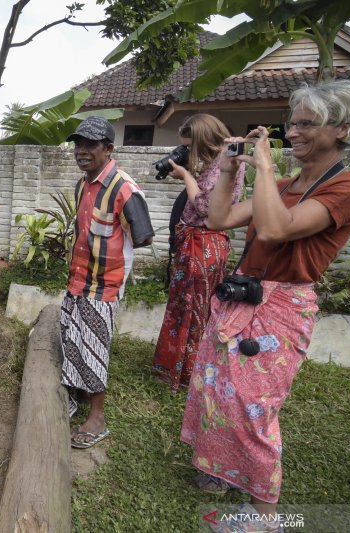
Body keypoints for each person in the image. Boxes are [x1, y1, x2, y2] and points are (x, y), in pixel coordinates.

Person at [181, 80, 350, 533]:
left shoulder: (346, 187)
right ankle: (222, 474)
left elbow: (278, 229)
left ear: (342, 128)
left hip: (282, 306)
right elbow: (219, 218)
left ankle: (266, 519)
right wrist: (227, 168)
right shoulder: (283, 184)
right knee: (216, 388)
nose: (293, 132)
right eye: (291, 123)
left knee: (254, 405)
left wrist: (261, 165)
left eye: (307, 124)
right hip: (244, 296)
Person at [62, 116, 154, 449]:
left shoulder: (123, 188)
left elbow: (143, 235)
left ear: (108, 149)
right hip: (77, 280)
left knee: (95, 347)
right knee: (72, 338)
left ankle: (97, 418)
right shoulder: (83, 185)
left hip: (104, 286)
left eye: (90, 145)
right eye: (78, 144)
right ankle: (73, 398)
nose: (81, 151)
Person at [152, 114, 246, 391]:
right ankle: (173, 367)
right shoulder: (218, 163)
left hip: (203, 244)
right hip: (197, 243)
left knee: (193, 309)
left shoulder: (225, 164)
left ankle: (185, 373)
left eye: (190, 147)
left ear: (204, 140)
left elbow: (205, 207)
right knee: (183, 305)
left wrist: (186, 176)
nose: (189, 153)